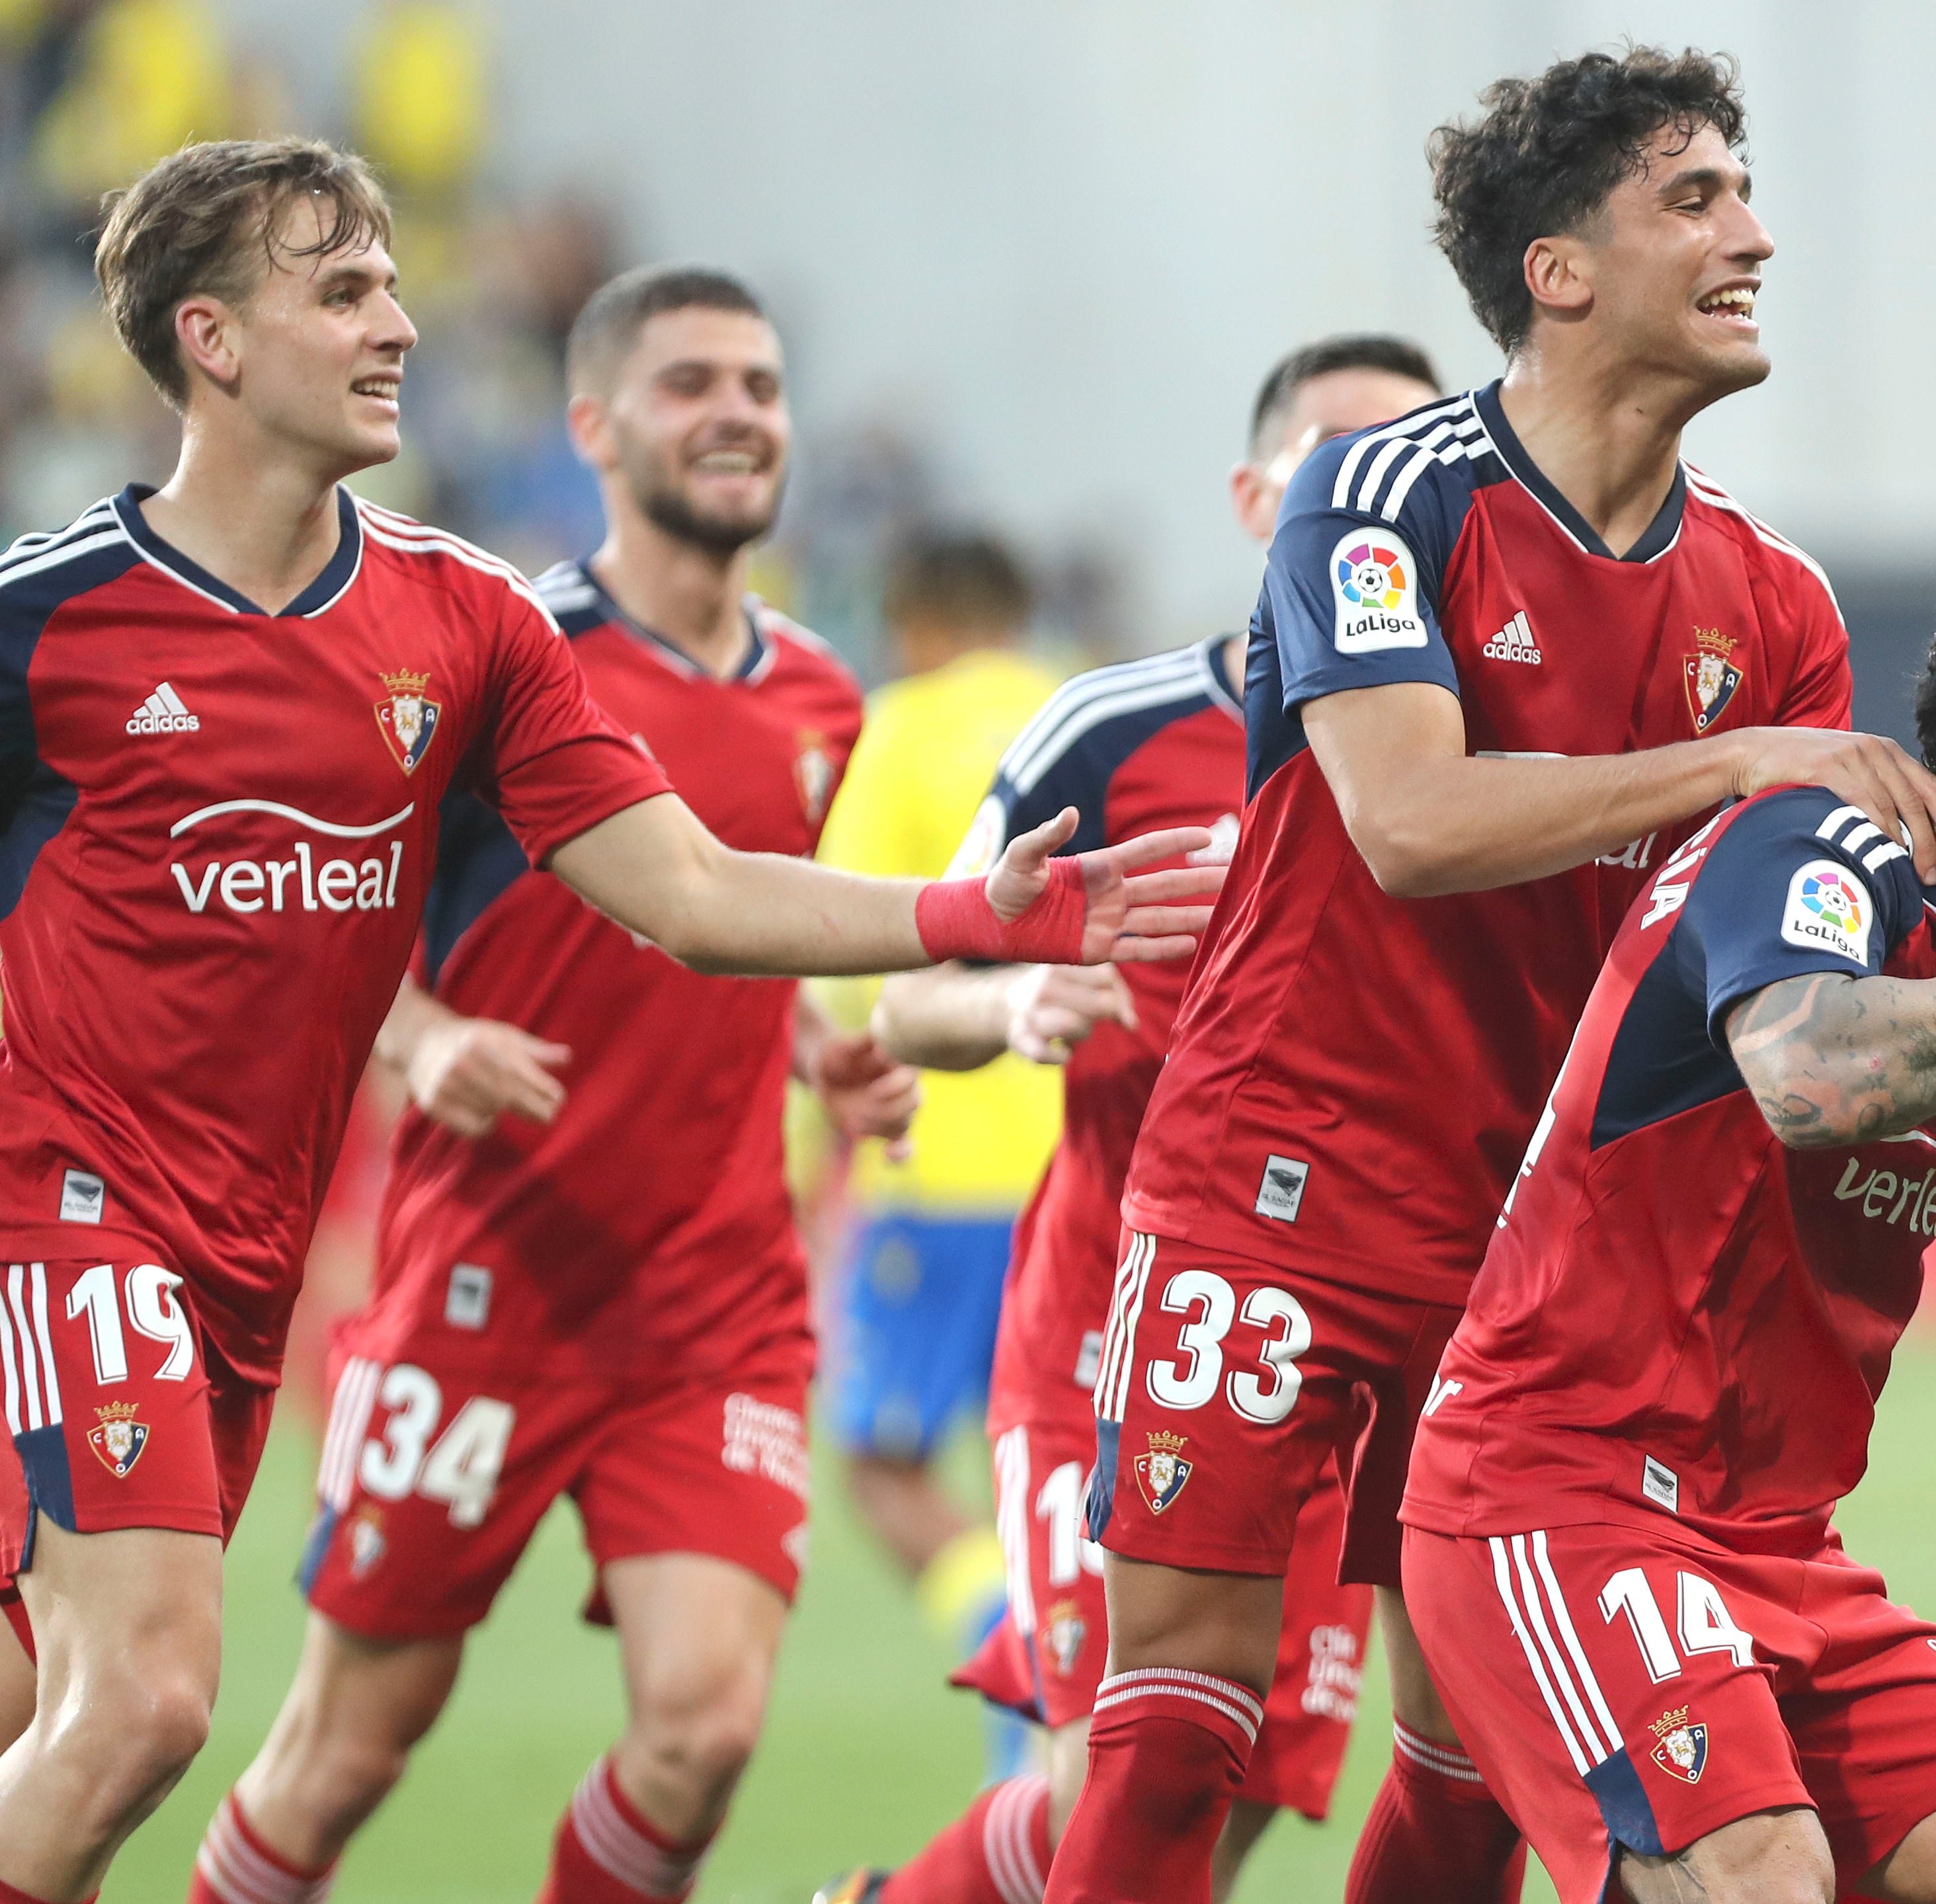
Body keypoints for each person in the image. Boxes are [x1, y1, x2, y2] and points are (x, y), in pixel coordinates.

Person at [0, 140, 1217, 1904]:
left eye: (398, 282)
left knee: (77, 1701)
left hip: (285, 1265)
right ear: (214, 339)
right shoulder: (48, 628)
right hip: (86, 1207)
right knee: (155, 1705)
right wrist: (426, 1047)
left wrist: (966, 917)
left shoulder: (469, 622)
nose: (402, 326)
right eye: (342, 292)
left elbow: (698, 893)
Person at [1054, 48, 1936, 1904]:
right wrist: (1735, 763)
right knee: (1178, 1724)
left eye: (1745, 191)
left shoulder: (1774, 605)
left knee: (1476, 1771)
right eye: (1695, 199)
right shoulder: (1377, 496)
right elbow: (1406, 818)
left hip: (1539, 1252)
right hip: (1279, 1178)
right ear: (1560, 269)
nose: (1755, 236)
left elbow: (1765, 955)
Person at [1398, 540, 1936, 1903]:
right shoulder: (1818, 845)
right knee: (1758, 1880)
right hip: (1561, 1492)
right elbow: (1808, 1077)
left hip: (1775, 1542)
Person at [179, 262, 916, 1904]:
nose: (737, 415)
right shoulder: (489, 660)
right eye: (692, 385)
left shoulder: (819, 692)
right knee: (348, 1748)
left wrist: (819, 1042)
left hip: (716, 1297)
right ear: (591, 425)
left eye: (763, 387)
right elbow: (326, 929)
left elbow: (723, 925)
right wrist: (426, 1041)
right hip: (488, 1283)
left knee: (705, 1728)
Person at [817, 333, 1447, 1904]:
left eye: (1418, 467)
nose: (1382, 503)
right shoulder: (1108, 732)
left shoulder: (1477, 764)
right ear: (1255, 502)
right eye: (1337, 463)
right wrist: (1012, 1005)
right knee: (1113, 1764)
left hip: (1353, 1349)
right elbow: (909, 998)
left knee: (1223, 1809)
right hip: (1121, 1324)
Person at [815, 533, 1062, 1625]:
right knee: (1057, 1467)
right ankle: (1060, 1668)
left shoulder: (902, 728)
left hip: (940, 1163)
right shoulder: (1090, 718)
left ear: (917, 626)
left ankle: (1011, 1640)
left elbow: (841, 959)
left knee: (883, 1468)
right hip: (1084, 1170)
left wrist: (795, 1152)